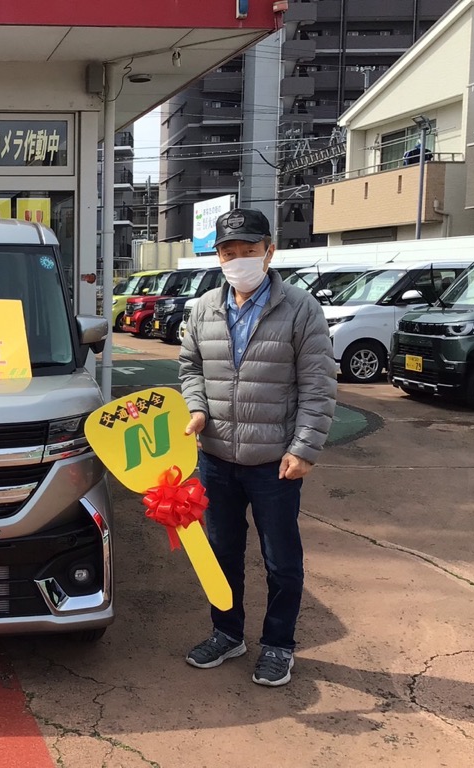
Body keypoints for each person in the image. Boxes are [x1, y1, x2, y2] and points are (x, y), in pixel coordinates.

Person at [177, 209, 336, 687]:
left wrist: (304, 448)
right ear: (218, 257)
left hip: (274, 463)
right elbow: (190, 368)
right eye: (229, 252)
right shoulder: (205, 307)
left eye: (249, 250)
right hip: (216, 458)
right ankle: (227, 633)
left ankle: (278, 644)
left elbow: (318, 385)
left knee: (281, 560)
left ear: (269, 251)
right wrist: (198, 408)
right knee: (221, 553)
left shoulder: (300, 309)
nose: (239, 260)